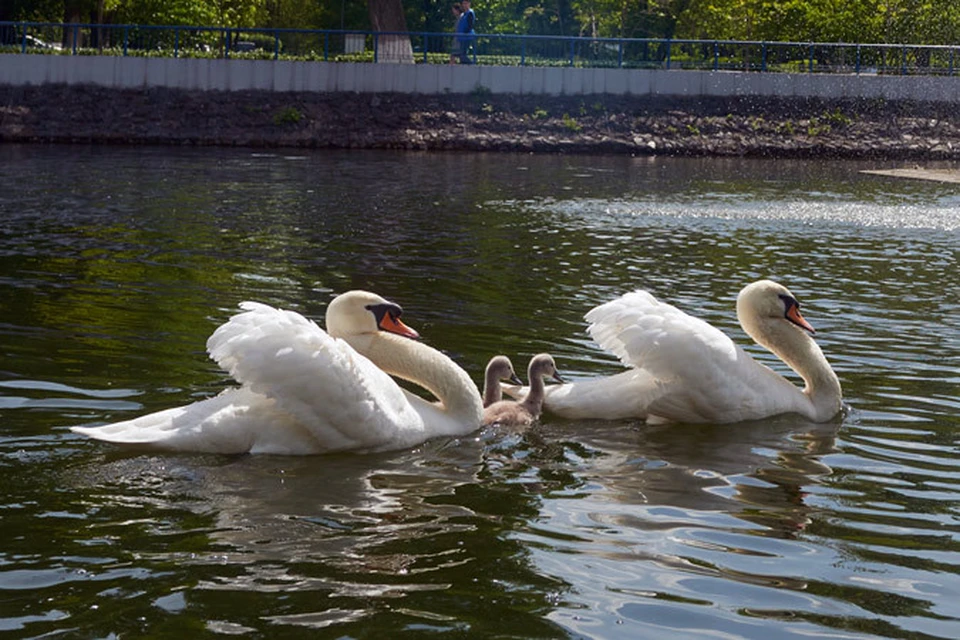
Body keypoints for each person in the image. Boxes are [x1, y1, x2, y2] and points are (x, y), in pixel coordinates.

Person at [456, 0, 476, 65]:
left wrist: (465, 32)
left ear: (469, 4)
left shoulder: (470, 13)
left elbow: (470, 25)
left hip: (466, 37)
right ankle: (464, 65)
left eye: (466, 3)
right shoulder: (464, 13)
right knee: (462, 54)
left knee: (462, 55)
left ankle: (472, 65)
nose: (464, 5)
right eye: (463, 3)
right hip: (462, 37)